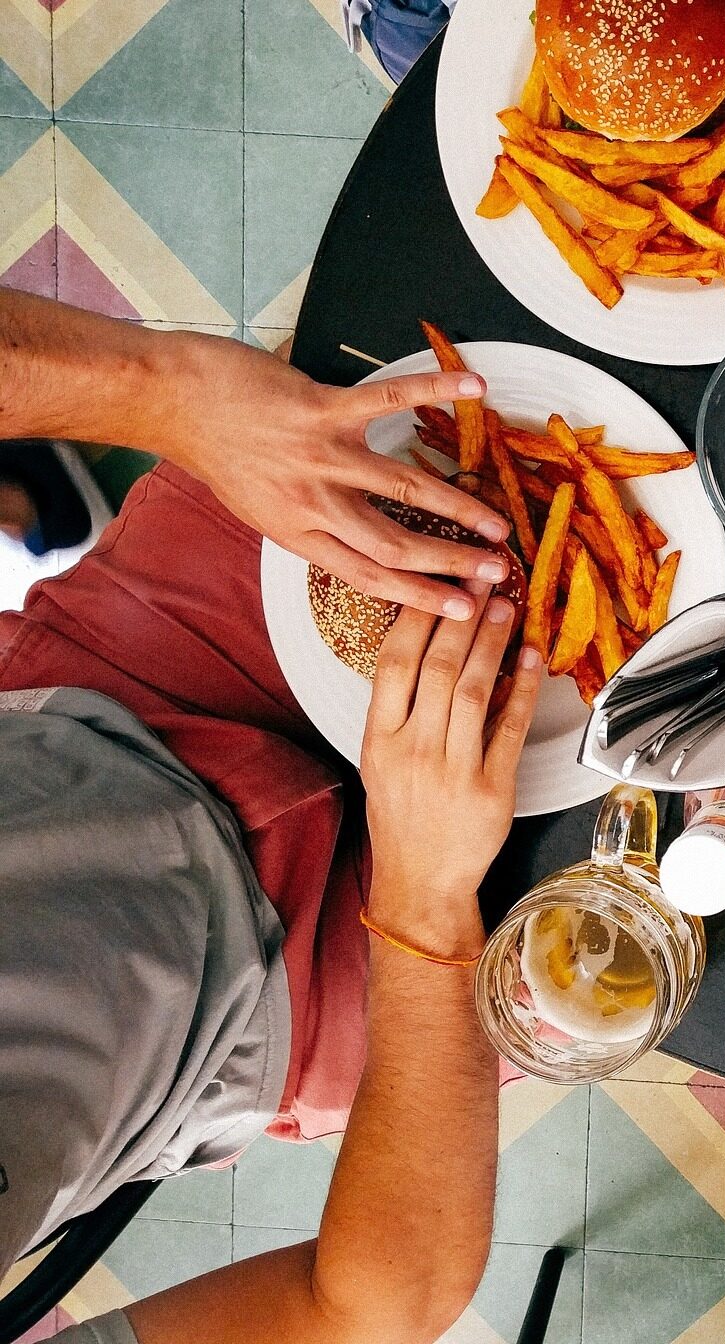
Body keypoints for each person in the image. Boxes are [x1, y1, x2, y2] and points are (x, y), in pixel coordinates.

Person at [0, 289, 519, 1285]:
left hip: (95, 699)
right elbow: (370, 1306)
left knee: (439, 357)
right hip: (278, 1019)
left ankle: (21, 494)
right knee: (710, 858)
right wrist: (424, 904)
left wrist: (162, 394)